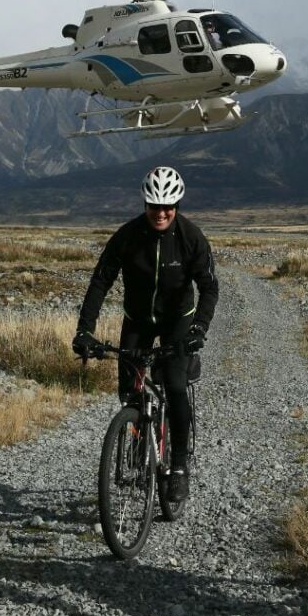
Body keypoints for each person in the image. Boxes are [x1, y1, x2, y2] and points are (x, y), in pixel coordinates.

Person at [72, 166, 218, 502]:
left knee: (176, 385)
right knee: (129, 390)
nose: (161, 212)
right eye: (155, 205)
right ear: (145, 204)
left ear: (177, 205)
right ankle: (138, 430)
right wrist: (85, 330)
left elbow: (209, 287)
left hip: (178, 322)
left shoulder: (190, 237)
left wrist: (198, 330)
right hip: (137, 320)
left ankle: (179, 466)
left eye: (168, 206)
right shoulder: (127, 236)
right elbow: (100, 282)